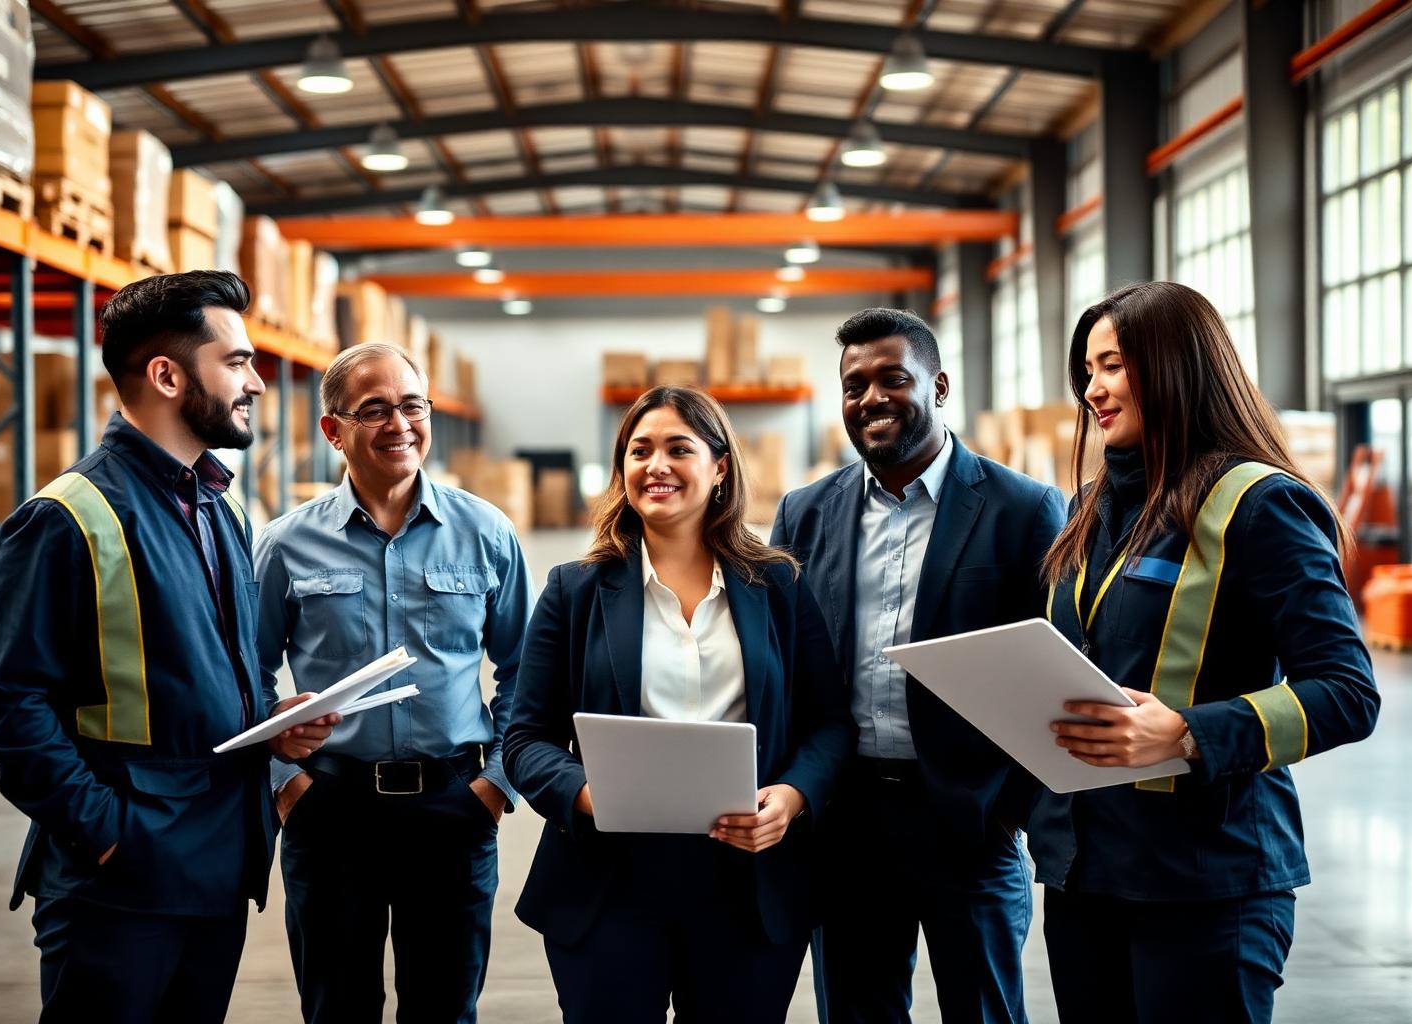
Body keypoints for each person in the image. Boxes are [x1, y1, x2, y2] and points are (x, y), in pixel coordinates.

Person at [0, 271, 338, 1024]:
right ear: (166, 374)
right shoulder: (66, 517)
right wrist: (105, 834)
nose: (256, 383)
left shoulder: (217, 504)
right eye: (235, 362)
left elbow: (200, 663)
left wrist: (271, 719)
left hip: (216, 866)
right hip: (121, 886)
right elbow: (4, 703)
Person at [1030, 281, 1380, 1023]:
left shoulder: (1260, 504)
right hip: (1086, 878)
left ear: (1178, 366)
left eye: (1115, 366)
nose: (1094, 389)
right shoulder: (1087, 507)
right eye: (1087, 371)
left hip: (1208, 885)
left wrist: (1189, 733)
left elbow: (1348, 691)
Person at [504, 385, 854, 1023]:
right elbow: (526, 738)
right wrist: (589, 795)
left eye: (677, 449)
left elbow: (828, 723)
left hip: (747, 884)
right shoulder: (575, 591)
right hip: (611, 883)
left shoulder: (777, 585)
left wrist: (793, 797)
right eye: (639, 451)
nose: (655, 466)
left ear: (720, 468)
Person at [771, 307, 1065, 1024]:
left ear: (937, 387)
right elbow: (785, 668)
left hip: (971, 820)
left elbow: (1058, 670)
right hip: (846, 822)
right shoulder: (805, 513)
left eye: (891, 379)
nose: (869, 397)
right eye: (853, 385)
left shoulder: (1022, 509)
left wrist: (1011, 809)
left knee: (986, 1011)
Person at [254, 342, 531, 1024]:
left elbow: (529, 671)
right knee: (337, 1007)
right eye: (373, 409)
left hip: (452, 809)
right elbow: (244, 675)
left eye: (411, 405)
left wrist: (496, 784)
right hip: (331, 807)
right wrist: (285, 787)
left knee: (444, 1008)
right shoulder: (286, 544)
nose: (398, 424)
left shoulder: (486, 533)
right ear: (333, 429)